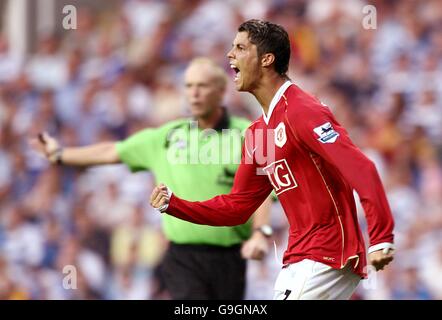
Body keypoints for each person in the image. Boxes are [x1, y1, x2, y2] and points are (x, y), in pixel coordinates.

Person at [150, 20, 395, 300]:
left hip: (327, 253)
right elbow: (237, 207)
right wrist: (175, 204)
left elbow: (362, 168)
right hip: (299, 258)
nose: (230, 55)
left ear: (267, 59)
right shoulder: (258, 134)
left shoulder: (302, 111)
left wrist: (380, 236)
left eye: (240, 47)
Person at [31, 57, 272, 300]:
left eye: (203, 86)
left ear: (220, 92)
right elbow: (112, 151)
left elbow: (263, 190)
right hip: (183, 255)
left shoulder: (249, 134)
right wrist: (60, 154)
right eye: (189, 86)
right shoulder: (166, 137)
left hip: (230, 254)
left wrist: (261, 231)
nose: (194, 93)